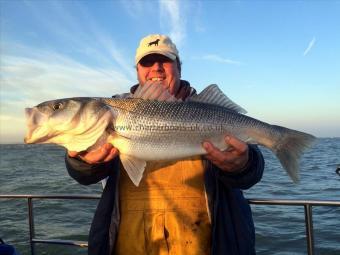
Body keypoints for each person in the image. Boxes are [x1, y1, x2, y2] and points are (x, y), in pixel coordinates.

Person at [66, 34, 264, 255]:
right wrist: (81, 161)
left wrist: (243, 164)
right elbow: (84, 176)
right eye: (147, 62)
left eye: (165, 60)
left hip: (203, 244)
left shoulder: (208, 110)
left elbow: (252, 172)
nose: (156, 68)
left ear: (179, 67)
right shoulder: (111, 113)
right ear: (138, 70)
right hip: (129, 244)